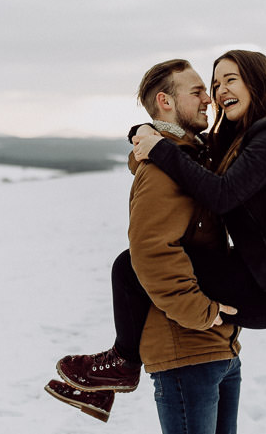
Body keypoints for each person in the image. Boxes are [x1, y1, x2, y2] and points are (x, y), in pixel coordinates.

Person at [46, 59, 243, 432]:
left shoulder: (192, 159)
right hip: (186, 351)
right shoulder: (161, 171)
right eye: (197, 90)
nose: (209, 99)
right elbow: (151, 254)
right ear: (166, 101)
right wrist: (203, 312)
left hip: (219, 349)